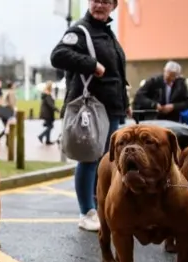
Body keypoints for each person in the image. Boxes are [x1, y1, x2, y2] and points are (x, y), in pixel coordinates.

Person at [50, 0, 130, 232]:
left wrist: (125, 104)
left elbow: (116, 75)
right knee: (89, 159)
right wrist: (91, 64)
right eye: (96, 0)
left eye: (106, 1)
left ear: (113, 6)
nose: (100, 5)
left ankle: (100, 205)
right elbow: (58, 55)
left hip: (111, 108)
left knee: (107, 161)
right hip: (92, 108)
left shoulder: (106, 32)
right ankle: (86, 211)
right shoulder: (80, 30)